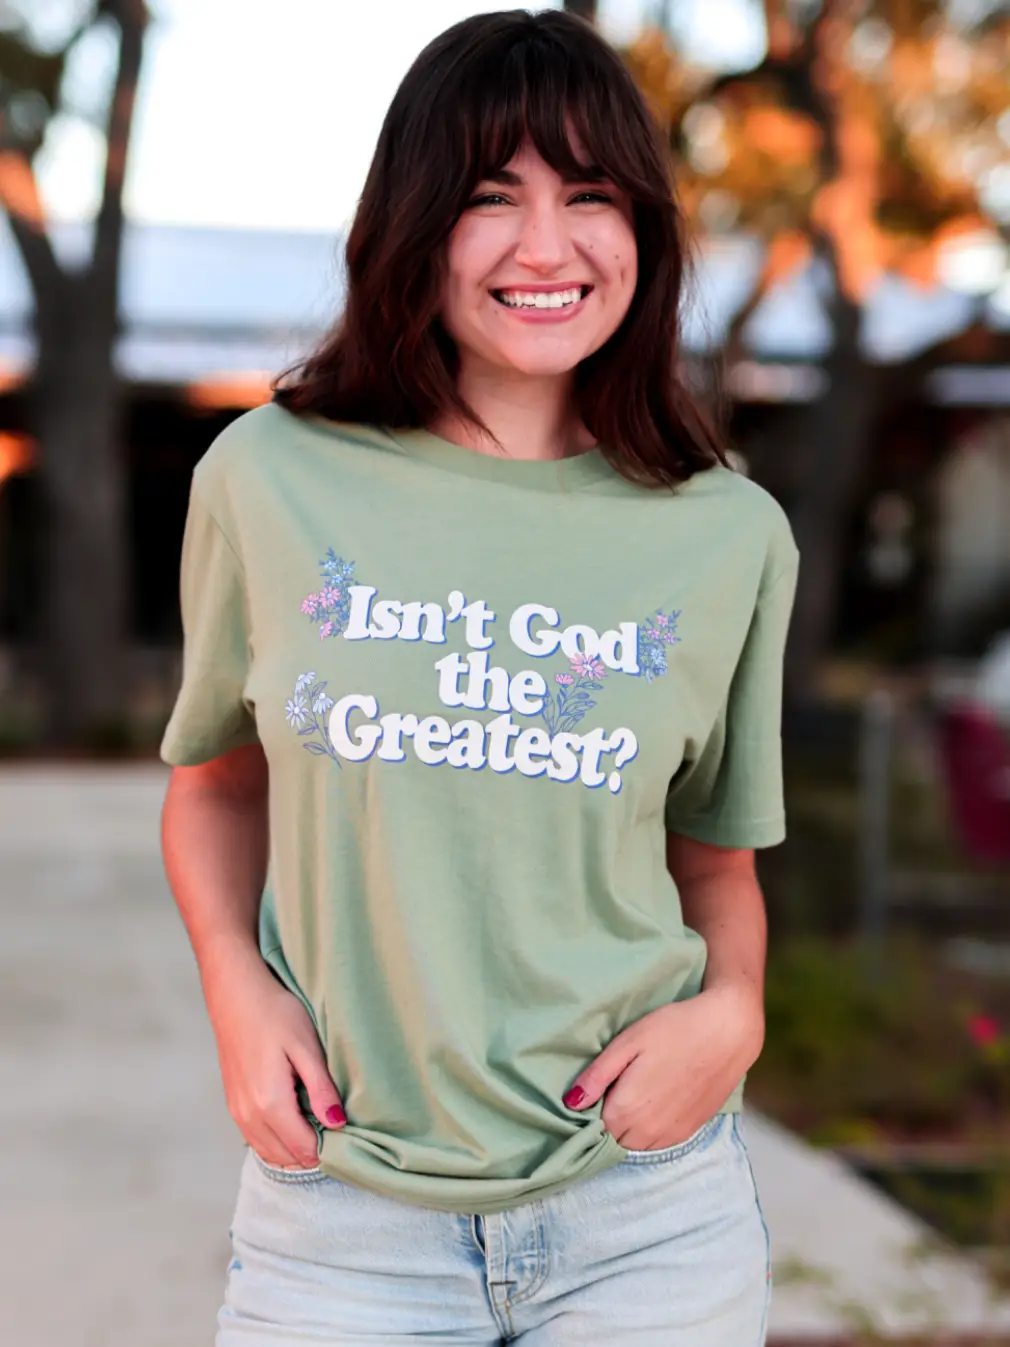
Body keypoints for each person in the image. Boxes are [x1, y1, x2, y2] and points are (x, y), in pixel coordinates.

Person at [160, 9, 799, 1345]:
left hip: (646, 1209)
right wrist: (236, 983)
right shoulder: (268, 477)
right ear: (412, 224)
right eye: (489, 198)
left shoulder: (725, 532)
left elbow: (715, 864)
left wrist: (730, 1015)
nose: (546, 246)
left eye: (590, 196)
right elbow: (218, 783)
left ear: (644, 234)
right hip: (342, 1214)